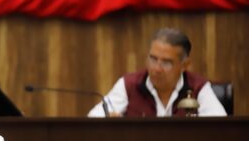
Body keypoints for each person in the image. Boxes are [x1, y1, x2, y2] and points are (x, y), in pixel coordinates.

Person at [88, 28, 227, 117]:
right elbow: (94, 117)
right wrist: (109, 120)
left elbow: (220, 127)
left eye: (166, 63)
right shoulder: (129, 84)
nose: (157, 68)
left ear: (184, 65)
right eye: (153, 59)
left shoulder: (198, 87)